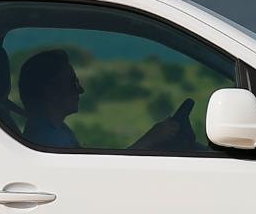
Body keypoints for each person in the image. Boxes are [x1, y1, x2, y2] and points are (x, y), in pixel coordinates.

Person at [16, 48, 196, 151]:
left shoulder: (54, 130)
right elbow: (95, 182)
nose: (81, 89)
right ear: (51, 90)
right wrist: (151, 139)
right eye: (73, 82)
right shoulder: (49, 140)